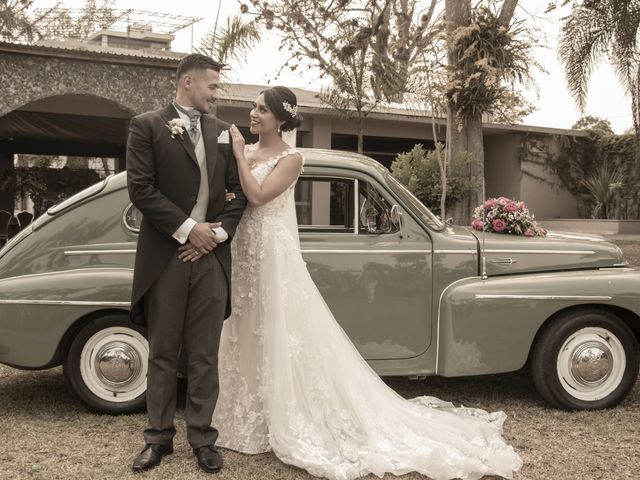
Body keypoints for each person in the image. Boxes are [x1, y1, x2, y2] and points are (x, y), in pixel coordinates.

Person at [180, 86, 523, 480]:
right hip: (241, 250)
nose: (253, 114)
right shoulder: (249, 152)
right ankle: (240, 414)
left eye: (261, 109)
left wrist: (239, 154)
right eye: (254, 107)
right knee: (242, 326)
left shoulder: (291, 158)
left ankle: (278, 414)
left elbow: (257, 196)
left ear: (280, 118)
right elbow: (229, 198)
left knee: (275, 329)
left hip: (272, 254)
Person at [126, 53, 246, 474]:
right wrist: (188, 228)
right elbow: (140, 190)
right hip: (167, 257)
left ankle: (203, 440)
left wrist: (214, 234)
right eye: (212, 87)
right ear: (188, 82)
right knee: (161, 353)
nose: (217, 94)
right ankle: (157, 440)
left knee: (204, 355)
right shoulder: (146, 126)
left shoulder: (223, 132)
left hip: (211, 258)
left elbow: (237, 194)